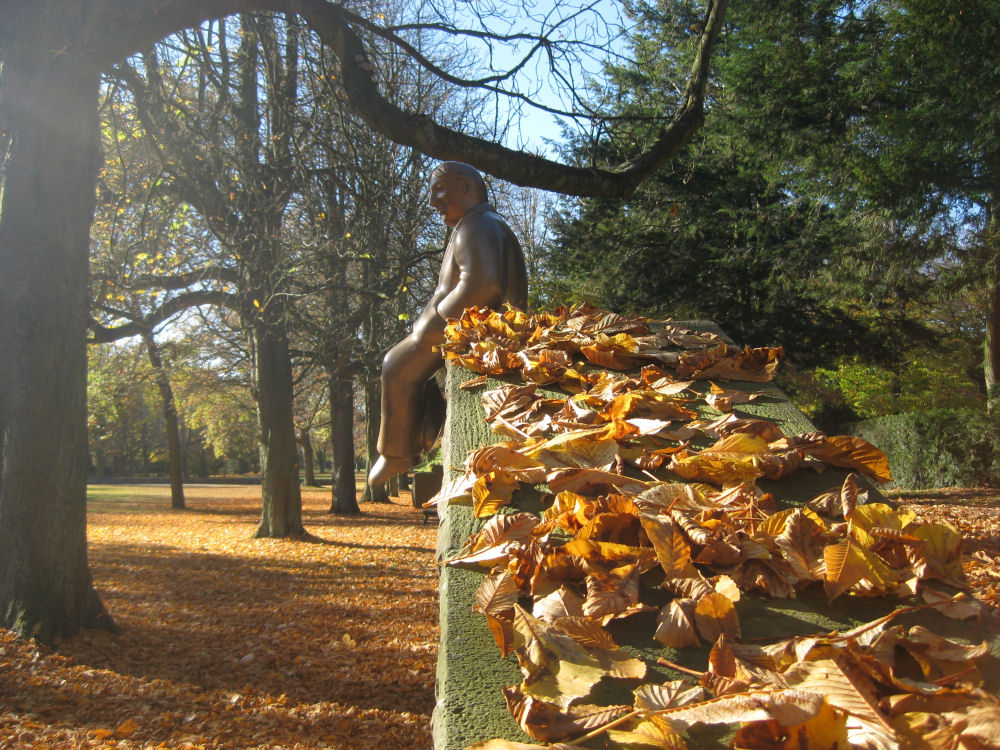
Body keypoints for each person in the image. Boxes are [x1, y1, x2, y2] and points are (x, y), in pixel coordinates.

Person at [368, 162, 528, 485]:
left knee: (395, 366)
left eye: (439, 190)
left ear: (466, 188)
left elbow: (482, 285)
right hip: (480, 329)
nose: (433, 201)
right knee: (416, 376)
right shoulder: (483, 225)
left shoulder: (476, 227)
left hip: (472, 330)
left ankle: (395, 454)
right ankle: (424, 435)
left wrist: (437, 320)